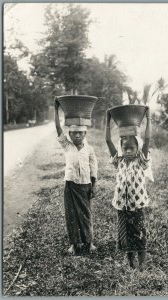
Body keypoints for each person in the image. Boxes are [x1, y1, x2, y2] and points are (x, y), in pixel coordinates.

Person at [105, 107, 153, 271]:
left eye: (131, 148)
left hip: (137, 206)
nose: (128, 151)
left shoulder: (140, 160)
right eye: (125, 148)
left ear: (137, 148)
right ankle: (131, 265)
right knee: (125, 237)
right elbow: (108, 142)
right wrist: (107, 120)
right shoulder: (119, 161)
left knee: (139, 235)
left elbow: (147, 140)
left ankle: (142, 266)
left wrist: (148, 117)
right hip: (122, 206)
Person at [54, 98, 98, 255]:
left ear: (85, 133)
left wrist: (93, 186)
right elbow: (58, 129)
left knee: (86, 215)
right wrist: (56, 109)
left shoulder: (89, 149)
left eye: (80, 133)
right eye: (73, 133)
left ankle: (89, 242)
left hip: (85, 185)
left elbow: (93, 169)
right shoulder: (67, 146)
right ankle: (74, 243)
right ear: (70, 134)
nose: (77, 136)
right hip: (71, 185)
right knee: (71, 215)